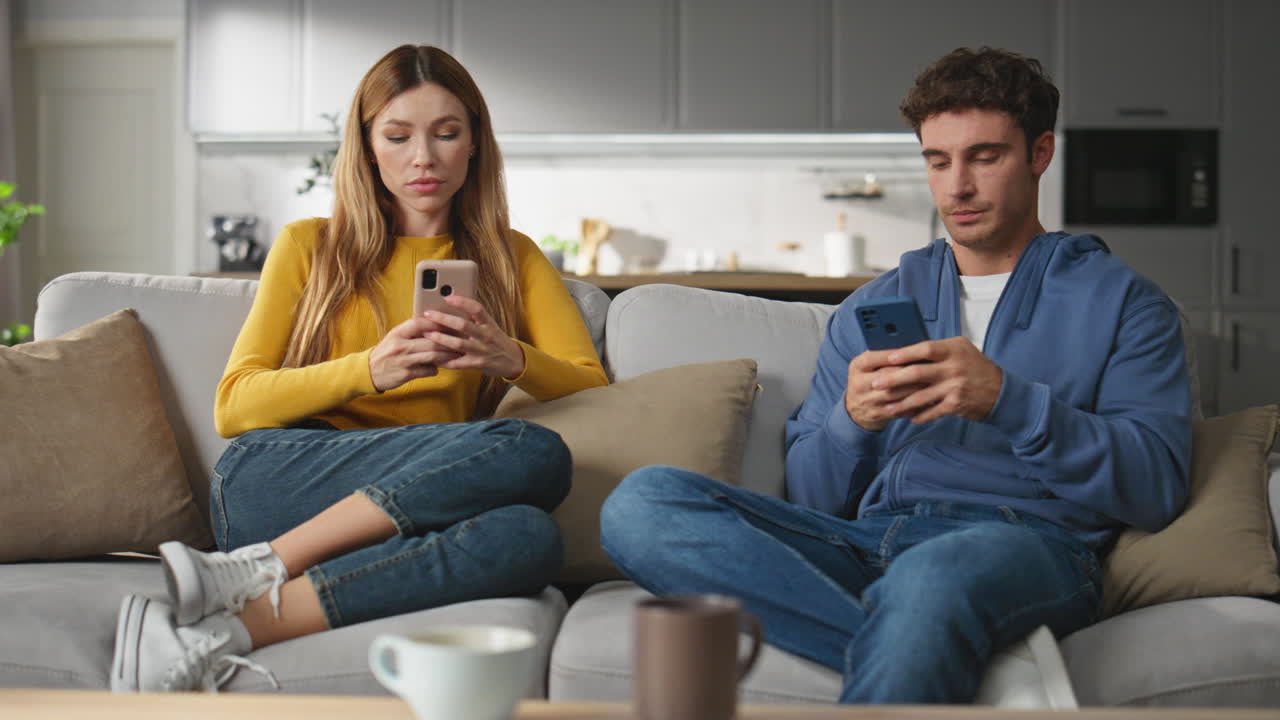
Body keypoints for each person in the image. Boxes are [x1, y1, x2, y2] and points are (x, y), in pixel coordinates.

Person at [600, 46, 1192, 704]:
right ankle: (927, 647)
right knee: (643, 503)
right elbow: (813, 503)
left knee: (934, 577)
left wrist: (1008, 400)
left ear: (1040, 154)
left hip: (1028, 547)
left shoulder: (1126, 303)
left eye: (984, 156)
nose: (956, 187)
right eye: (937, 161)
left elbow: (1158, 487)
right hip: (869, 540)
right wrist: (852, 423)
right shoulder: (875, 306)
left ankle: (924, 629)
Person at [111, 45, 608, 693]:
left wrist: (511, 358)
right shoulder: (308, 245)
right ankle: (257, 563)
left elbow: (592, 391)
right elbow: (235, 404)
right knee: (528, 448)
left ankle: (230, 627)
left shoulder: (514, 259)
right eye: (398, 136)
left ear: (475, 145)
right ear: (369, 148)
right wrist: (368, 369)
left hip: (423, 506)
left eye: (447, 133)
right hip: (283, 483)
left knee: (531, 538)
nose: (424, 157)